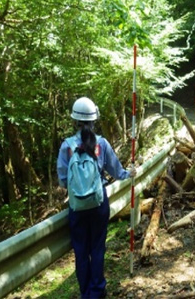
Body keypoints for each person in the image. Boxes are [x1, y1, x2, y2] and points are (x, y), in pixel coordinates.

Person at [57, 97, 136, 298]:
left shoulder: (67, 146)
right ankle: (98, 292)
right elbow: (118, 172)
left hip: (77, 208)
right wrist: (131, 173)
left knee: (81, 251)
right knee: (98, 247)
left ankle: (86, 293)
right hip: (99, 205)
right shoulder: (101, 143)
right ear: (94, 120)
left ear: (75, 120)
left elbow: (63, 180)